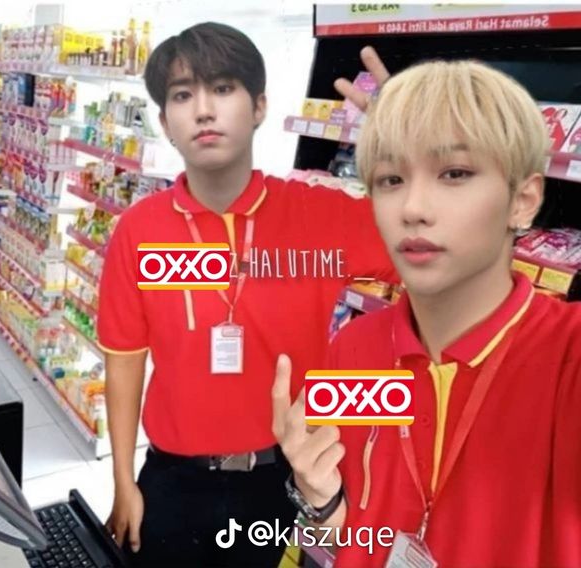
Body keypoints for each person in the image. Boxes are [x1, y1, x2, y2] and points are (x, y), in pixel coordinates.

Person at [97, 22, 396, 567]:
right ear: (165, 123)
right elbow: (125, 361)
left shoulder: (319, 218)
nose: (204, 110)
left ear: (258, 106)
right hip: (171, 478)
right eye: (183, 96)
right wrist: (122, 480)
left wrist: (405, 147)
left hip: (285, 483)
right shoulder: (138, 232)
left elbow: (429, 234)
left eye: (223, 88)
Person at [273, 59, 581, 567]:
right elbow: (350, 537)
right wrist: (319, 496)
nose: (413, 207)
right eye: (391, 178)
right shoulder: (354, 349)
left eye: (454, 173)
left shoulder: (566, 358)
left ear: (523, 201)